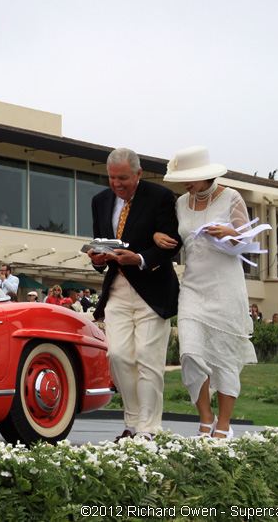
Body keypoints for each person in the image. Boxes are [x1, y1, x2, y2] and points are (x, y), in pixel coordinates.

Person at [153, 146, 257, 440]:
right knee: (189, 352)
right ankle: (205, 417)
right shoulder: (181, 203)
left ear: (205, 175)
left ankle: (223, 424)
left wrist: (232, 234)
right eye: (182, 178)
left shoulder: (231, 197)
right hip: (193, 288)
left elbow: (247, 240)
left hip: (226, 288)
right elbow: (173, 239)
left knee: (224, 357)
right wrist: (156, 236)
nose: (186, 183)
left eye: (191, 177)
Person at [90, 147, 181, 441]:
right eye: (112, 178)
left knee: (147, 357)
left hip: (151, 290)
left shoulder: (161, 197)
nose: (117, 184)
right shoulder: (100, 201)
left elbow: (172, 243)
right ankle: (131, 421)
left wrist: (140, 258)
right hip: (116, 288)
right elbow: (100, 244)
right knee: (117, 355)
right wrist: (97, 258)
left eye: (124, 178)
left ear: (138, 174)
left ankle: (147, 428)